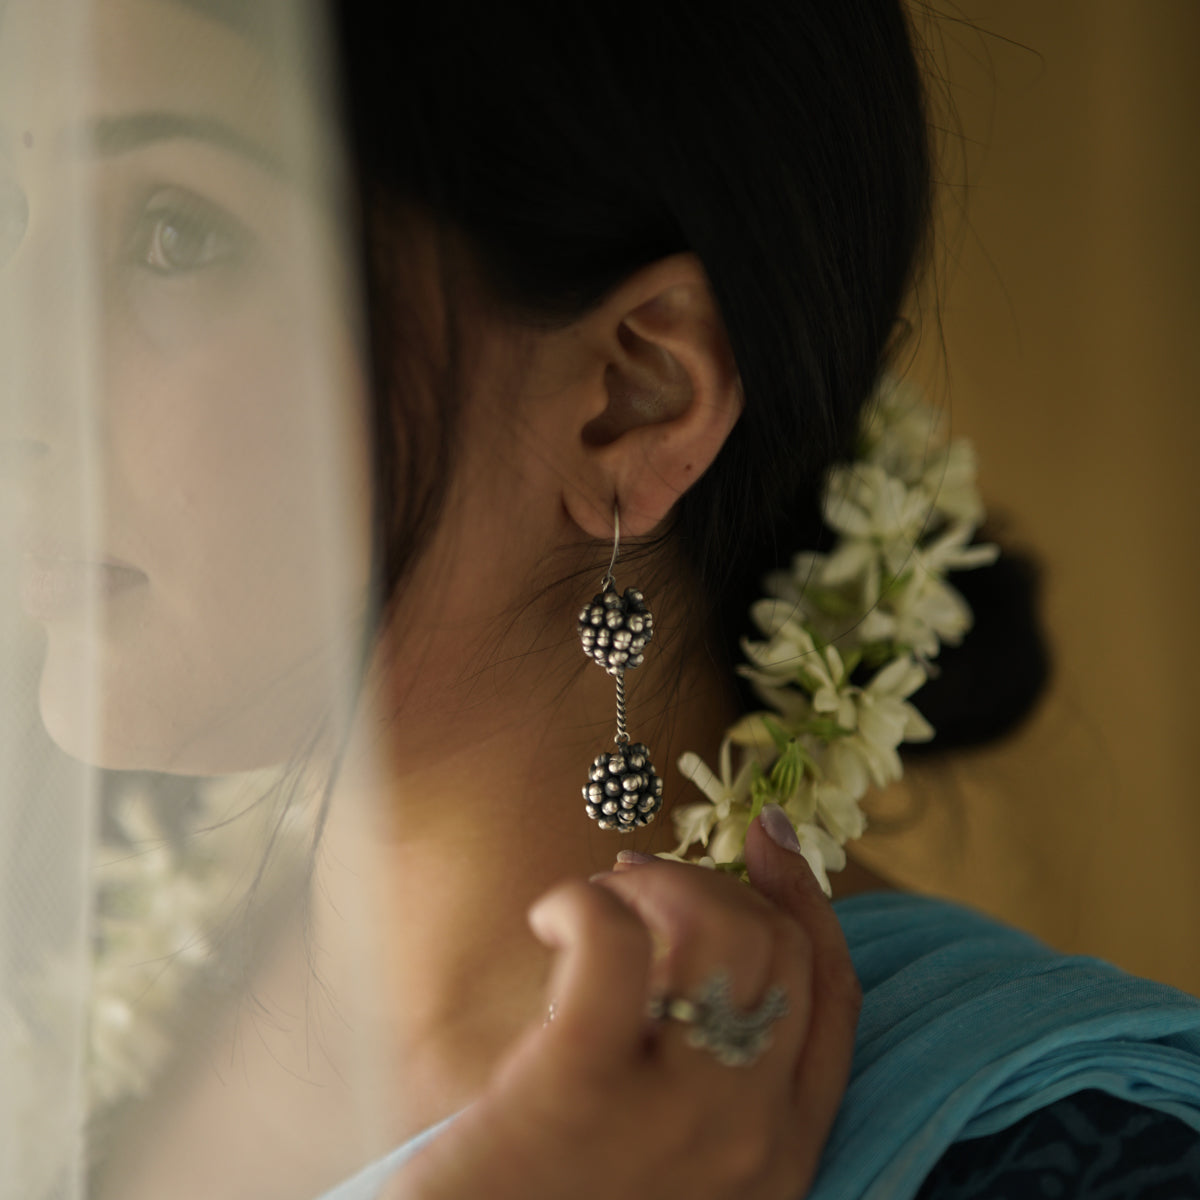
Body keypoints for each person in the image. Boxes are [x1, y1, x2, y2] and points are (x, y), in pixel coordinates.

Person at [0, 2, 1198, 1199]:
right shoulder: (72, 962)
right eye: (12, 210)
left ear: (636, 395)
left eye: (176, 231)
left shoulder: (1074, 1159)